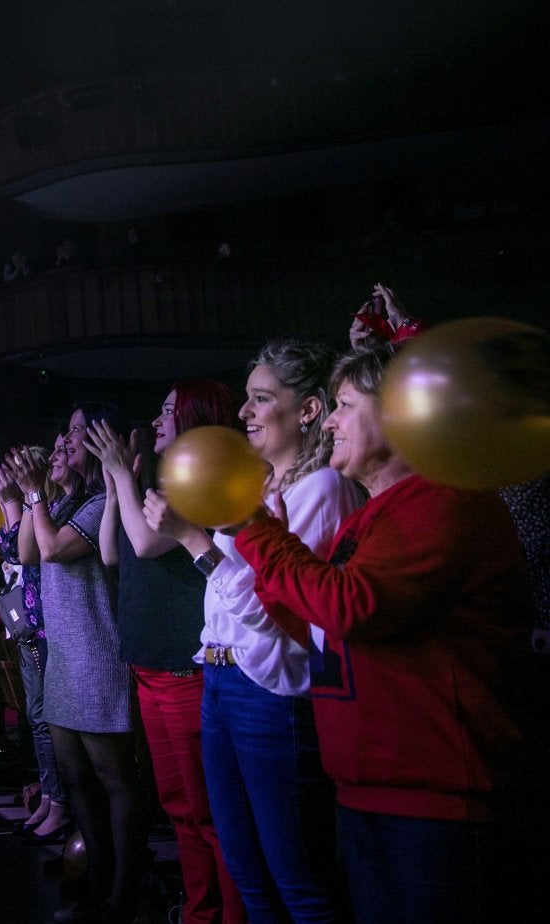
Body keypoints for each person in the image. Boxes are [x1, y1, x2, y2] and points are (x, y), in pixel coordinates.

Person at [229, 345, 547, 923]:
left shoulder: (446, 502)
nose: (329, 420)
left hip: (441, 807)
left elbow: (355, 607)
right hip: (371, 792)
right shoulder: (370, 516)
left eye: (344, 404)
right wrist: (278, 577)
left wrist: (256, 530)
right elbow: (327, 629)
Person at [144, 341, 363, 923]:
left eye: (261, 399)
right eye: (246, 399)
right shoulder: (258, 489)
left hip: (270, 695)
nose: (243, 414)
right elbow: (226, 593)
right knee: (247, 873)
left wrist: (195, 542)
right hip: (220, 680)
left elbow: (280, 613)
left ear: (309, 411)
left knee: (299, 882)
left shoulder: (321, 491)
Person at [83, 382, 247, 924]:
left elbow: (147, 543)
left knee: (209, 812)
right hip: (150, 666)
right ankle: (200, 911)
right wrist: (114, 481)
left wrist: (124, 475)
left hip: (184, 667)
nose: (156, 418)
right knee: (179, 809)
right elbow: (111, 551)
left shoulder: (199, 479)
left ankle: (227, 913)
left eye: (169, 411)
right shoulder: (155, 480)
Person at [7, 401, 143, 924]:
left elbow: (56, 549)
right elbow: (27, 551)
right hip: (64, 654)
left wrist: (39, 493)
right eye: (61, 436)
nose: (62, 445)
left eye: (74, 437)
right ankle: (97, 877)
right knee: (73, 772)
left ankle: (122, 892)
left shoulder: (99, 502)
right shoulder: (62, 502)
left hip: (97, 651)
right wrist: (30, 494)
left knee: (113, 777)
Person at [0, 440, 72, 844]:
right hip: (28, 623)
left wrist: (20, 500)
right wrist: (10, 502)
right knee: (37, 719)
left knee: (46, 720)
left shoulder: (54, 509)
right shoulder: (34, 507)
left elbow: (27, 555)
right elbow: (11, 546)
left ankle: (60, 802)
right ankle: (51, 798)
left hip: (47, 626)